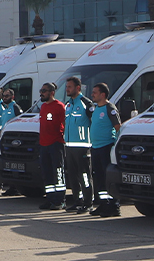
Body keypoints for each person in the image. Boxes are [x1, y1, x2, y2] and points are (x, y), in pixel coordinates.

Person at [87, 82, 123, 218]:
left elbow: (118, 127)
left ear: (103, 94)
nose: (92, 94)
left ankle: (114, 206)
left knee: (108, 177)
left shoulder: (110, 108)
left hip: (105, 147)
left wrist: (115, 144)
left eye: (95, 92)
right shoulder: (96, 108)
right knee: (99, 177)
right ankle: (103, 203)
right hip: (95, 147)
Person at [63, 77, 94, 213]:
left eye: (69, 87)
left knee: (84, 175)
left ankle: (88, 202)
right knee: (72, 176)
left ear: (78, 88)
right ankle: (78, 201)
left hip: (82, 147)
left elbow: (94, 122)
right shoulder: (68, 105)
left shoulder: (86, 103)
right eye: (67, 87)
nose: (67, 89)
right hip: (69, 146)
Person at [36, 83, 66, 210]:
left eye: (44, 91)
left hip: (56, 143)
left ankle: (60, 200)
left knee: (57, 171)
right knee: (46, 172)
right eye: (41, 90)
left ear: (52, 92)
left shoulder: (59, 106)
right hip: (44, 144)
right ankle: (50, 198)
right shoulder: (43, 106)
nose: (41, 93)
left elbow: (65, 123)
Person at [0, 88, 20, 193]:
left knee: (14, 163)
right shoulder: (5, 109)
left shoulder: (15, 107)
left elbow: (20, 121)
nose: (4, 98)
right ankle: (9, 186)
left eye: (7, 96)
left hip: (13, 140)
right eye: (3, 96)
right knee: (6, 164)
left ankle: (15, 187)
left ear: (12, 97)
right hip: (4, 139)